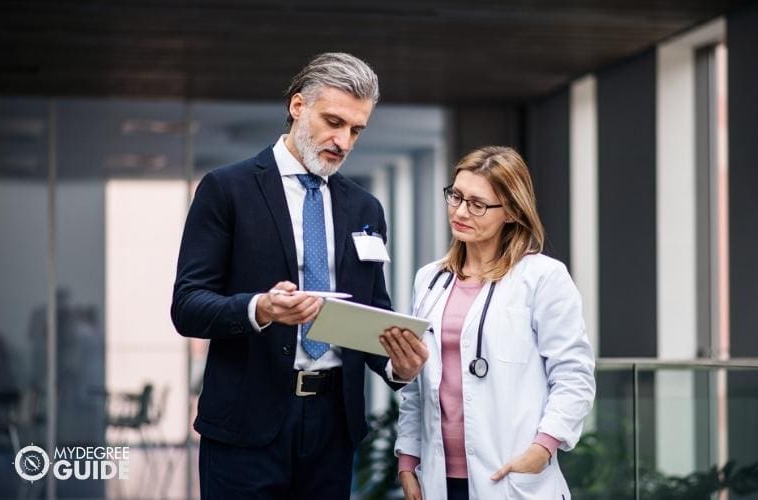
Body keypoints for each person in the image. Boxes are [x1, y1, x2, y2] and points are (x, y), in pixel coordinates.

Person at [171, 52, 428, 500]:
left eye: (355, 130)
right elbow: (188, 306)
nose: (343, 141)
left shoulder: (366, 208)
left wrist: (396, 365)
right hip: (246, 424)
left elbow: (372, 311)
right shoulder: (226, 190)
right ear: (297, 106)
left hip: (333, 426)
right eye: (333, 122)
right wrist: (261, 308)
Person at [389, 146, 596, 499]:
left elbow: (574, 375)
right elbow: (418, 386)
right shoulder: (431, 279)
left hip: (510, 474)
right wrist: (408, 460)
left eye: (477, 203)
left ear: (513, 211)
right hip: (438, 478)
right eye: (455, 196)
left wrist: (542, 449)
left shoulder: (543, 277)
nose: (460, 211)